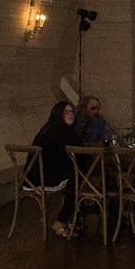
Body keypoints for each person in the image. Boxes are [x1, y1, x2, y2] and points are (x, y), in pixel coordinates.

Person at [26, 101, 77, 237]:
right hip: (47, 178)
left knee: (75, 179)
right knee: (78, 183)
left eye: (72, 112)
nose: (70, 115)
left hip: (30, 178)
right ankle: (61, 221)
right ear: (59, 114)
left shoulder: (47, 128)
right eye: (66, 112)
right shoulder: (64, 132)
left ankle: (68, 219)